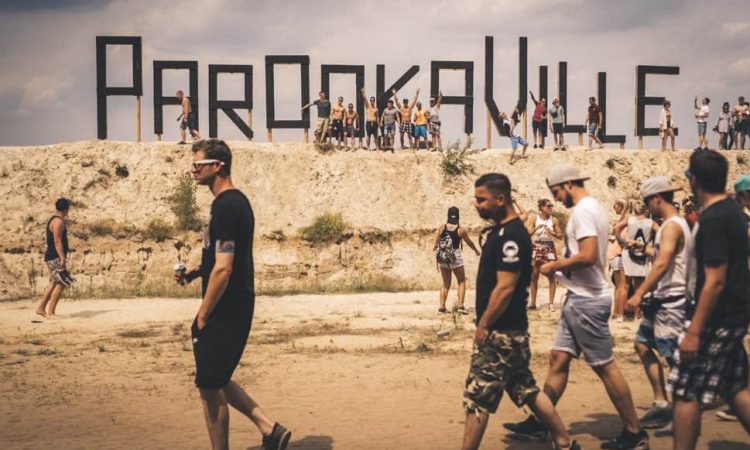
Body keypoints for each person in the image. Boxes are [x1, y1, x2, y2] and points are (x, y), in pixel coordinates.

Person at [504, 163, 648, 449]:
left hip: (587, 301)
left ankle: (635, 433)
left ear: (568, 184)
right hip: (577, 297)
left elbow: (588, 255)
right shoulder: (593, 207)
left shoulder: (582, 212)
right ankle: (542, 421)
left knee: (605, 366)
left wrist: (555, 265)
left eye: (556, 191)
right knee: (558, 360)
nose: (556, 198)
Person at [177, 139, 291, 450]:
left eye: (198, 165)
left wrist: (203, 313)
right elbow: (221, 258)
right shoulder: (229, 204)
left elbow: (225, 269)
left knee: (209, 385)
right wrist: (197, 271)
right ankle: (271, 431)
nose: (193, 170)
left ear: (219, 166)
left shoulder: (227, 206)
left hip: (226, 307)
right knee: (217, 375)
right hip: (234, 302)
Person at [461, 173, 580, 450]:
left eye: (481, 199)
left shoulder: (512, 236)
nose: (476, 204)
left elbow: (505, 288)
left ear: (500, 199)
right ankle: (564, 442)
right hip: (509, 331)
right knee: (524, 389)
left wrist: (484, 325)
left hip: (501, 331)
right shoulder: (503, 231)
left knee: (477, 396)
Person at [669, 149, 750, 449]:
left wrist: (694, 331)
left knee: (685, 391)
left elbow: (715, 280)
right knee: (734, 388)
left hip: (716, 319)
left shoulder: (715, 219)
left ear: (694, 180)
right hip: (734, 315)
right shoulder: (732, 212)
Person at [624, 177, 689, 437]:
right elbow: (664, 256)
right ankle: (662, 401)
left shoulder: (672, 226)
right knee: (642, 344)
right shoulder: (671, 227)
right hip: (664, 299)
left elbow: (662, 265)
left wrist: (638, 293)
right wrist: (644, 248)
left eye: (646, 202)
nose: (645, 207)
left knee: (673, 358)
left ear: (656, 199)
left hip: (672, 300)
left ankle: (682, 414)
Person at [433, 207, 480, 314]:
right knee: (461, 281)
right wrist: (476, 250)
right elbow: (469, 243)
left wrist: (435, 248)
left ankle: (441, 307)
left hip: (443, 258)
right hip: (455, 258)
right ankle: (460, 306)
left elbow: (436, 243)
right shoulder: (460, 229)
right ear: (458, 216)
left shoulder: (441, 228)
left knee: (445, 284)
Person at [615, 201, 656, 320]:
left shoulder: (630, 219)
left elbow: (616, 227)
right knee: (639, 287)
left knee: (624, 286)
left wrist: (622, 242)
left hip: (628, 252)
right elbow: (662, 231)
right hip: (642, 254)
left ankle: (620, 315)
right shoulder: (650, 223)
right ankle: (638, 315)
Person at [35, 198, 73, 320]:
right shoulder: (58, 222)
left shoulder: (54, 219)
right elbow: (57, 241)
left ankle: (41, 308)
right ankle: (50, 312)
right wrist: (62, 257)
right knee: (62, 282)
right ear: (66, 209)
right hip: (55, 256)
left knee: (54, 282)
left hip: (52, 256)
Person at [527, 199, 562, 310]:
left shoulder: (554, 220)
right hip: (537, 246)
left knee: (552, 275)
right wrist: (535, 229)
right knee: (534, 275)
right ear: (541, 207)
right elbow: (527, 234)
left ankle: (551, 304)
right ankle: (533, 303)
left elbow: (560, 235)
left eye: (551, 206)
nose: (551, 208)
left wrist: (552, 232)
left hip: (549, 248)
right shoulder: (534, 218)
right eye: (548, 206)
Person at [610, 199, 630, 321]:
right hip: (619, 252)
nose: (614, 208)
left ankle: (615, 311)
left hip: (614, 252)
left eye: (615, 206)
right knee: (622, 285)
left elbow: (616, 229)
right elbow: (617, 229)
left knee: (617, 286)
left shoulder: (624, 218)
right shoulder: (626, 217)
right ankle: (620, 313)